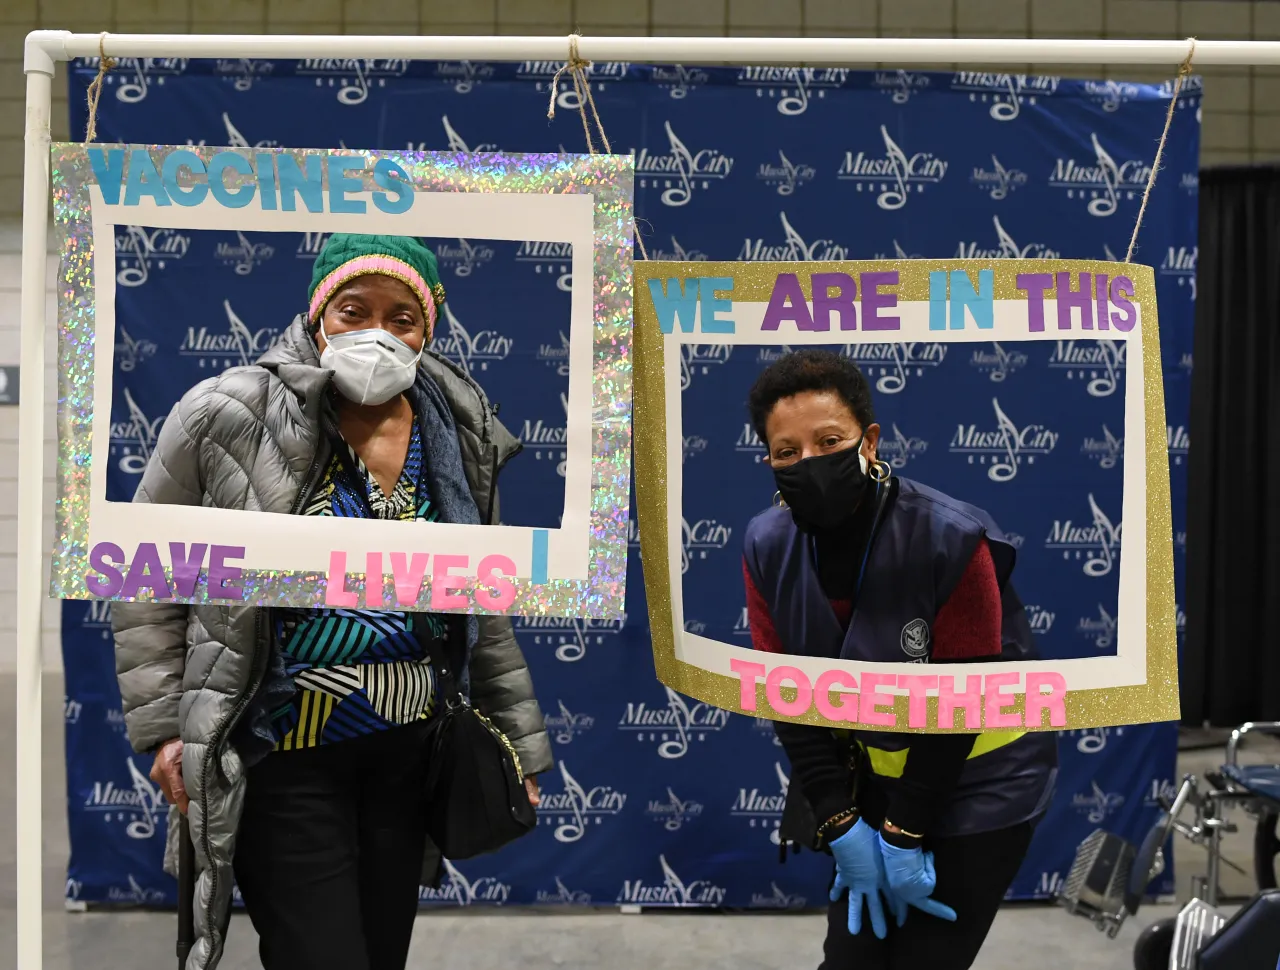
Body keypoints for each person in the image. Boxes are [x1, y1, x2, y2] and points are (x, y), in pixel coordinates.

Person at [112, 233, 553, 970]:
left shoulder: (460, 424)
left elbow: (484, 598)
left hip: (407, 750)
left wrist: (521, 741)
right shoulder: (224, 413)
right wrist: (163, 728)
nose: (377, 332)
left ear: (427, 328)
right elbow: (147, 574)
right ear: (318, 315)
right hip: (282, 745)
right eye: (355, 310)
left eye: (402, 318)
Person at [740, 349, 1058, 970]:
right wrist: (840, 822)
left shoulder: (952, 537)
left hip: (982, 779)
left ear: (870, 442)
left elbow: (964, 699)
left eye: (829, 440)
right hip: (872, 781)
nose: (808, 461)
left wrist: (905, 834)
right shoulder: (764, 545)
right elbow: (784, 696)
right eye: (786, 451)